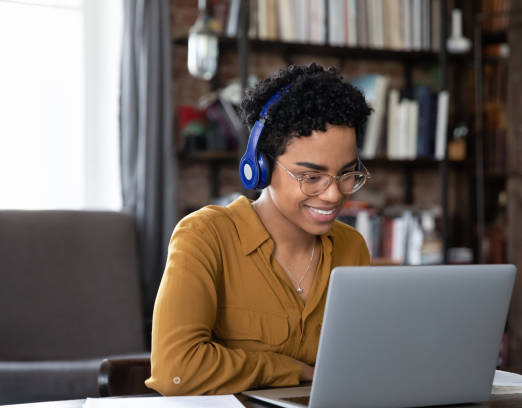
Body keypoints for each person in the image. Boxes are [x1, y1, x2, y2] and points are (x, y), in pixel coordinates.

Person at [145, 63, 373, 396]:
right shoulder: (205, 237)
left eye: (347, 174)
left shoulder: (351, 247)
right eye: (311, 177)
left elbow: (363, 365)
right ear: (259, 167)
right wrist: (291, 370)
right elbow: (175, 371)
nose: (334, 194)